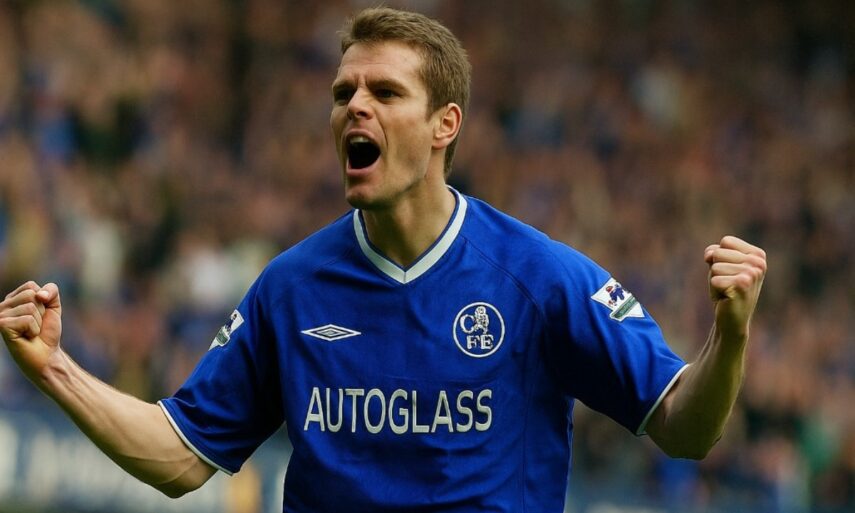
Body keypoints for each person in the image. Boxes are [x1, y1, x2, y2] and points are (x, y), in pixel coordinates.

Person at [0, 7, 766, 512]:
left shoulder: (539, 278)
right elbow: (182, 455)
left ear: (443, 124)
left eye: (385, 92)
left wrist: (728, 335)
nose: (354, 107)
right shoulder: (290, 288)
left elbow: (684, 428)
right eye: (343, 93)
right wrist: (54, 369)